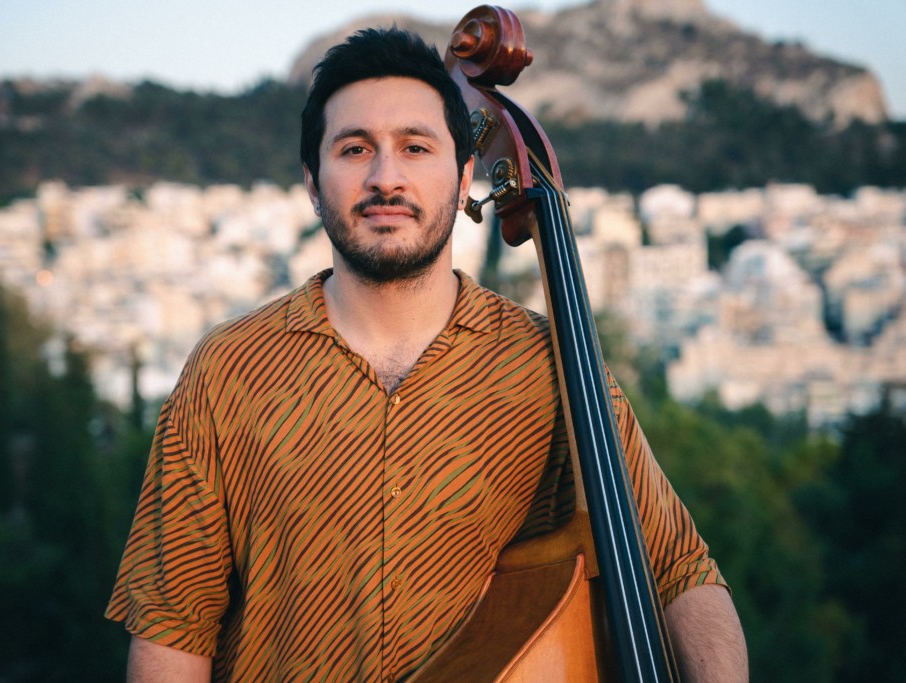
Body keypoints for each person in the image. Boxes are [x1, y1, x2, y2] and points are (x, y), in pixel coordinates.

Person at [106, 27, 749, 683]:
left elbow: (680, 571)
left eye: (416, 147)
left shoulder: (550, 368)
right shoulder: (227, 372)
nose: (386, 178)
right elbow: (173, 629)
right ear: (312, 183)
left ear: (465, 176)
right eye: (355, 149)